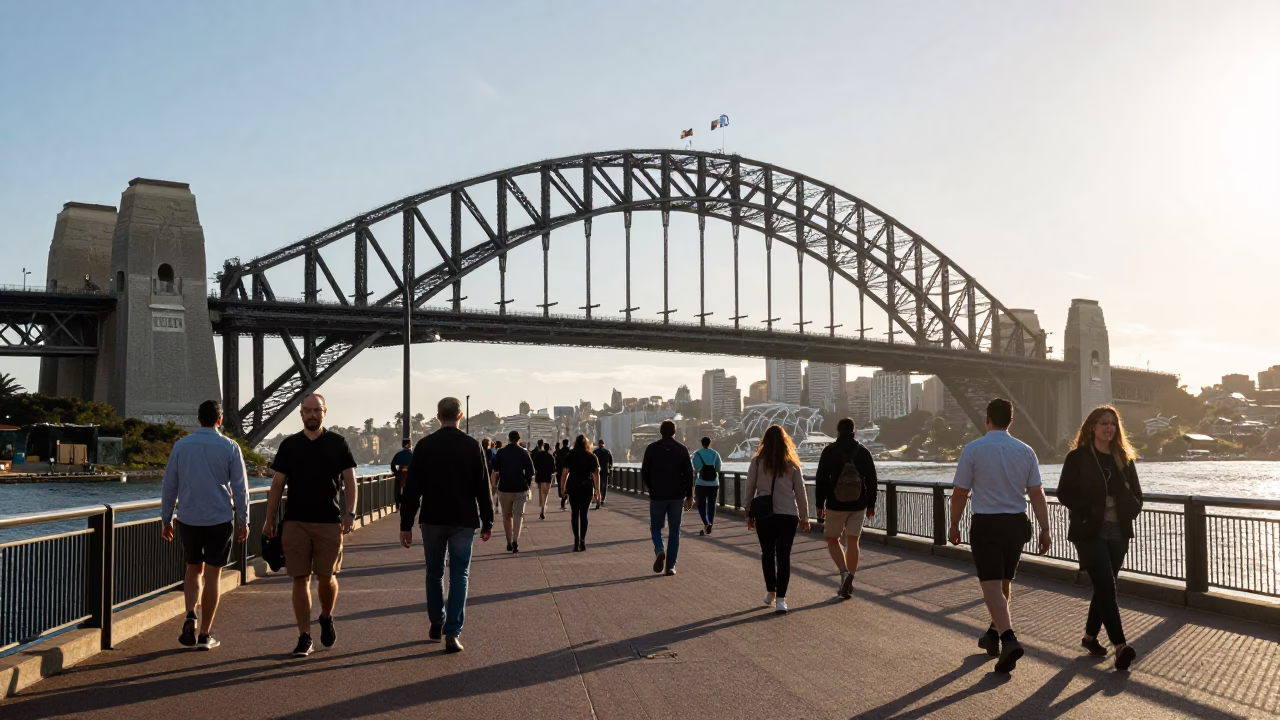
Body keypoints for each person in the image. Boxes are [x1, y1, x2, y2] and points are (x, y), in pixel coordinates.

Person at [948, 398, 1051, 674]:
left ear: (986, 419)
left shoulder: (973, 450)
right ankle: (993, 634)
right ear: (1011, 420)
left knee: (991, 586)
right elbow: (1037, 493)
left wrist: (954, 523)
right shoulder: (1026, 451)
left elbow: (960, 493)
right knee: (1004, 581)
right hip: (1018, 523)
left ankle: (1009, 639)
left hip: (988, 524)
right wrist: (1045, 528)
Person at [262, 393, 358, 658]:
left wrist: (350, 512)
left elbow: (350, 481)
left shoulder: (338, 443)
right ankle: (304, 636)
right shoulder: (289, 445)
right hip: (295, 522)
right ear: (301, 413)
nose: (312, 414)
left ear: (325, 411)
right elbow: (277, 485)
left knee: (327, 579)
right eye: (307, 410)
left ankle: (326, 616)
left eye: (317, 410)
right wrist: (270, 520)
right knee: (300, 578)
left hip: (329, 521)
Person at [400, 397, 494, 653]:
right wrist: (488, 520)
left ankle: (436, 621)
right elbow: (482, 487)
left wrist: (406, 523)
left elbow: (412, 489)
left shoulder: (425, 446)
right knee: (459, 574)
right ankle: (452, 632)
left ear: (438, 416)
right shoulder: (472, 445)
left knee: (434, 571)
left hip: (432, 518)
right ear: (460, 415)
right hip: (463, 519)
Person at [1056, 406, 1144, 671]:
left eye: (1113, 424)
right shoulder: (1078, 457)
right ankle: (1120, 646)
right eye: (1103, 423)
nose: (1109, 428)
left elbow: (1138, 496)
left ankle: (1089, 638)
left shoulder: (1123, 458)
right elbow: (1064, 493)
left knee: (1105, 586)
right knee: (1106, 586)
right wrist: (1088, 506)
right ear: (1092, 427)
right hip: (1090, 530)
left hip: (1118, 530)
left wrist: (1127, 501)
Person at [160, 400, 249, 651]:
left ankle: (190, 613)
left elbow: (170, 485)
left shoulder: (181, 446)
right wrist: (244, 520)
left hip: (188, 518)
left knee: (192, 569)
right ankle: (205, 634)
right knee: (213, 576)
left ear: (198, 419)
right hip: (219, 519)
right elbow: (240, 488)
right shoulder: (230, 447)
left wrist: (166, 518)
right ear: (220, 420)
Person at [744, 425, 811, 614]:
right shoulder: (791, 464)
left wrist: (748, 512)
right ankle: (781, 599)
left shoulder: (757, 462)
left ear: (764, 442)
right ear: (785, 442)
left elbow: (749, 488)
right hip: (788, 515)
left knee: (767, 554)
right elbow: (800, 492)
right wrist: (804, 517)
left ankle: (770, 592)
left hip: (764, 515)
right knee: (783, 556)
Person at [814, 418, 878, 600]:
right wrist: (872, 504)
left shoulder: (829, 451)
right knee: (853, 541)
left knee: (832, 539)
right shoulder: (863, 452)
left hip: (835, 504)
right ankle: (851, 574)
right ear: (854, 431)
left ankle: (844, 573)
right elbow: (872, 479)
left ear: (838, 432)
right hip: (859, 504)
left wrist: (819, 504)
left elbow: (821, 479)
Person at [640, 420, 693, 576]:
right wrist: (689, 495)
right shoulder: (682, 450)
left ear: (660, 432)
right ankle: (670, 566)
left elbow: (644, 471)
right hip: (677, 495)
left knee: (656, 527)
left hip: (658, 495)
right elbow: (689, 474)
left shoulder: (652, 449)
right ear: (674, 432)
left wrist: (650, 487)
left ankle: (659, 550)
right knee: (675, 530)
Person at [492, 430, 535, 552]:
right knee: (518, 515)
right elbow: (531, 471)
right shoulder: (523, 452)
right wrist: (527, 484)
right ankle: (516, 539)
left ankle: (509, 541)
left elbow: (494, 468)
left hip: (504, 488)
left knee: (506, 516)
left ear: (508, 438)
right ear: (519, 439)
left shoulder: (501, 452)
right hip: (520, 488)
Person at [562, 434, 602, 551]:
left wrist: (562, 487)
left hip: (573, 486)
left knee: (574, 513)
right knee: (584, 514)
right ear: (586, 444)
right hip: (586, 487)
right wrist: (598, 491)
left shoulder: (570, 456)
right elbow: (596, 475)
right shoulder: (591, 456)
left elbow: (564, 473)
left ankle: (576, 540)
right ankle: (583, 541)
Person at [691, 436, 722, 536]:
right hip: (714, 483)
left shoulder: (697, 453)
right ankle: (710, 524)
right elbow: (718, 468)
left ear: (701, 443)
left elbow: (696, 467)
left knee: (701, 505)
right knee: (712, 505)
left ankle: (706, 523)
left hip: (701, 483)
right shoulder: (715, 453)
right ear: (710, 443)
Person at [532, 440, 557, 520]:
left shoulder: (538, 455)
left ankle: (542, 507)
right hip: (547, 477)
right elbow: (553, 469)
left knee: (541, 493)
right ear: (548, 448)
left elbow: (534, 465)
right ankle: (543, 509)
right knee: (545, 495)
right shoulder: (551, 457)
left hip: (539, 477)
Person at [390, 438, 414, 505]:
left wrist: (395, 472)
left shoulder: (399, 454)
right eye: (410, 444)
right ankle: (408, 503)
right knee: (409, 490)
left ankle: (398, 505)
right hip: (410, 474)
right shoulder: (413, 455)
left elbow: (392, 464)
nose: (411, 445)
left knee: (398, 490)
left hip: (400, 473)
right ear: (407, 445)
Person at [593, 439, 614, 509]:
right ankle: (602, 499)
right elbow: (611, 462)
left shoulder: (595, 452)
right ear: (603, 444)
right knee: (604, 484)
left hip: (596, 471)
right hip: (605, 470)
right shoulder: (607, 452)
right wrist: (610, 468)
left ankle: (597, 497)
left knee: (596, 485)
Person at [555, 439, 572, 510]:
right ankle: (565, 500)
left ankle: (562, 498)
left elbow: (556, 462)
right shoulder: (570, 452)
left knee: (561, 485)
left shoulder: (559, 452)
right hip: (569, 471)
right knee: (568, 485)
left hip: (560, 471)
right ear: (568, 443)